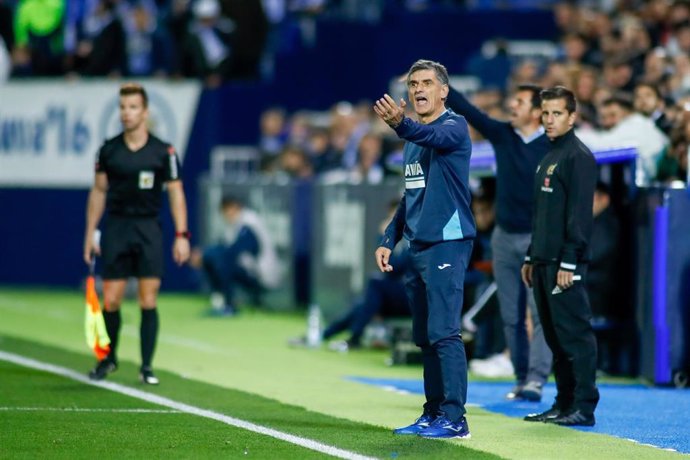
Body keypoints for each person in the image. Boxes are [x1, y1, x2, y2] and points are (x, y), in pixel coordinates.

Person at [374, 59, 475, 439]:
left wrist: (401, 125)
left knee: (445, 331)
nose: (419, 89)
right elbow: (409, 196)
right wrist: (389, 238)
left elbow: (433, 138)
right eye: (414, 83)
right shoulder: (414, 140)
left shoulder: (453, 126)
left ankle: (455, 418)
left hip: (447, 243)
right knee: (424, 335)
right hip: (417, 247)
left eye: (427, 83)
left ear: (444, 90)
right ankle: (433, 412)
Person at [446, 84, 552, 401]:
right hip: (504, 237)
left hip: (537, 237)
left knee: (540, 312)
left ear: (536, 111)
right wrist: (442, 86)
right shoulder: (504, 135)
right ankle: (521, 378)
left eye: (518, 102)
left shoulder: (551, 145)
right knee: (511, 314)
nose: (511, 106)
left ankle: (536, 379)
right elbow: (471, 112)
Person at [83, 83, 191, 385]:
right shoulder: (109, 150)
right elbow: (98, 191)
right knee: (112, 299)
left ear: (144, 112)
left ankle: (146, 366)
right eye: (122, 107)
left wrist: (182, 234)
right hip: (117, 226)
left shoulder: (163, 152)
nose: (126, 113)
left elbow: (176, 194)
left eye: (132, 107)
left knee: (148, 298)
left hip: (148, 229)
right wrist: (90, 233)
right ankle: (108, 359)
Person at [521, 86, 599, 427]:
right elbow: (543, 215)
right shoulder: (549, 155)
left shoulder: (577, 157)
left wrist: (570, 261)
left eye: (556, 113)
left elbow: (579, 216)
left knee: (574, 336)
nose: (549, 120)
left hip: (563, 265)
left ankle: (583, 407)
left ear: (572, 116)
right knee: (554, 337)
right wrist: (530, 255)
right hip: (543, 261)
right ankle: (563, 403)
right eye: (545, 113)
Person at [190, 195, 281, 315]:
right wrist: (204, 254)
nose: (226, 214)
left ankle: (229, 306)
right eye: (224, 211)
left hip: (263, 276)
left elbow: (234, 251)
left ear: (236, 207)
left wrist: (205, 254)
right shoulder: (232, 226)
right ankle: (220, 302)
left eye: (228, 209)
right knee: (211, 258)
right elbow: (224, 248)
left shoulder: (249, 222)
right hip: (249, 271)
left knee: (221, 260)